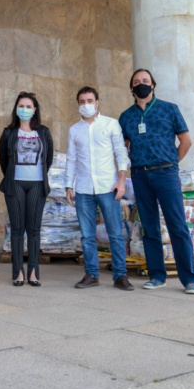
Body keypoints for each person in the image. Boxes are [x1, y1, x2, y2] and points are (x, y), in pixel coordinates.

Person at [118, 69, 194, 294]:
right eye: (136, 82)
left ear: (153, 84)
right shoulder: (126, 117)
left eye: (145, 81)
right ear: (132, 88)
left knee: (177, 226)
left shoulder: (169, 109)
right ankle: (157, 276)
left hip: (166, 174)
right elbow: (121, 147)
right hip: (140, 175)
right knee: (149, 227)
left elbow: (186, 140)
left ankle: (190, 279)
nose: (141, 84)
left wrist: (172, 161)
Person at [64, 86, 132, 291]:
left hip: (108, 186)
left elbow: (121, 153)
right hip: (83, 188)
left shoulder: (111, 124)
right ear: (78, 104)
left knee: (115, 233)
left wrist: (122, 181)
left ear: (97, 102)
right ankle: (91, 274)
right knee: (86, 235)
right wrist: (69, 185)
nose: (86, 105)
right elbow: (71, 160)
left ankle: (120, 275)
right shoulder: (74, 130)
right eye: (82, 101)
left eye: (90, 100)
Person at [0, 92, 54, 287]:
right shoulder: (8, 132)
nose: (25, 109)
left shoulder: (44, 132)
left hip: (37, 185)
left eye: (29, 106)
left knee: (34, 230)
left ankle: (33, 272)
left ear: (35, 109)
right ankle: (18, 272)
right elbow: (4, 162)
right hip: (15, 185)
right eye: (21, 106)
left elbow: (48, 159)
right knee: (17, 230)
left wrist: (37, 175)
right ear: (16, 109)